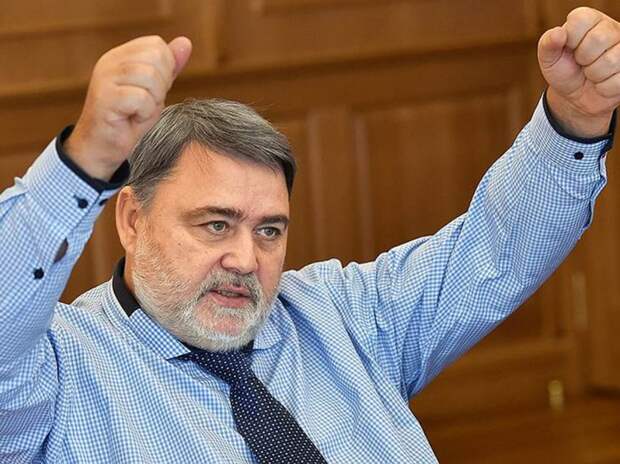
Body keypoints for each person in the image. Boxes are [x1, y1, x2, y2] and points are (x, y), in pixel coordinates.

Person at [1, 6, 619, 463]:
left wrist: (576, 118)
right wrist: (83, 161)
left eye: (269, 230)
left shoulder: (342, 315)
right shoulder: (57, 372)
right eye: (216, 224)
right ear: (132, 220)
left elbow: (495, 249)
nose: (245, 259)